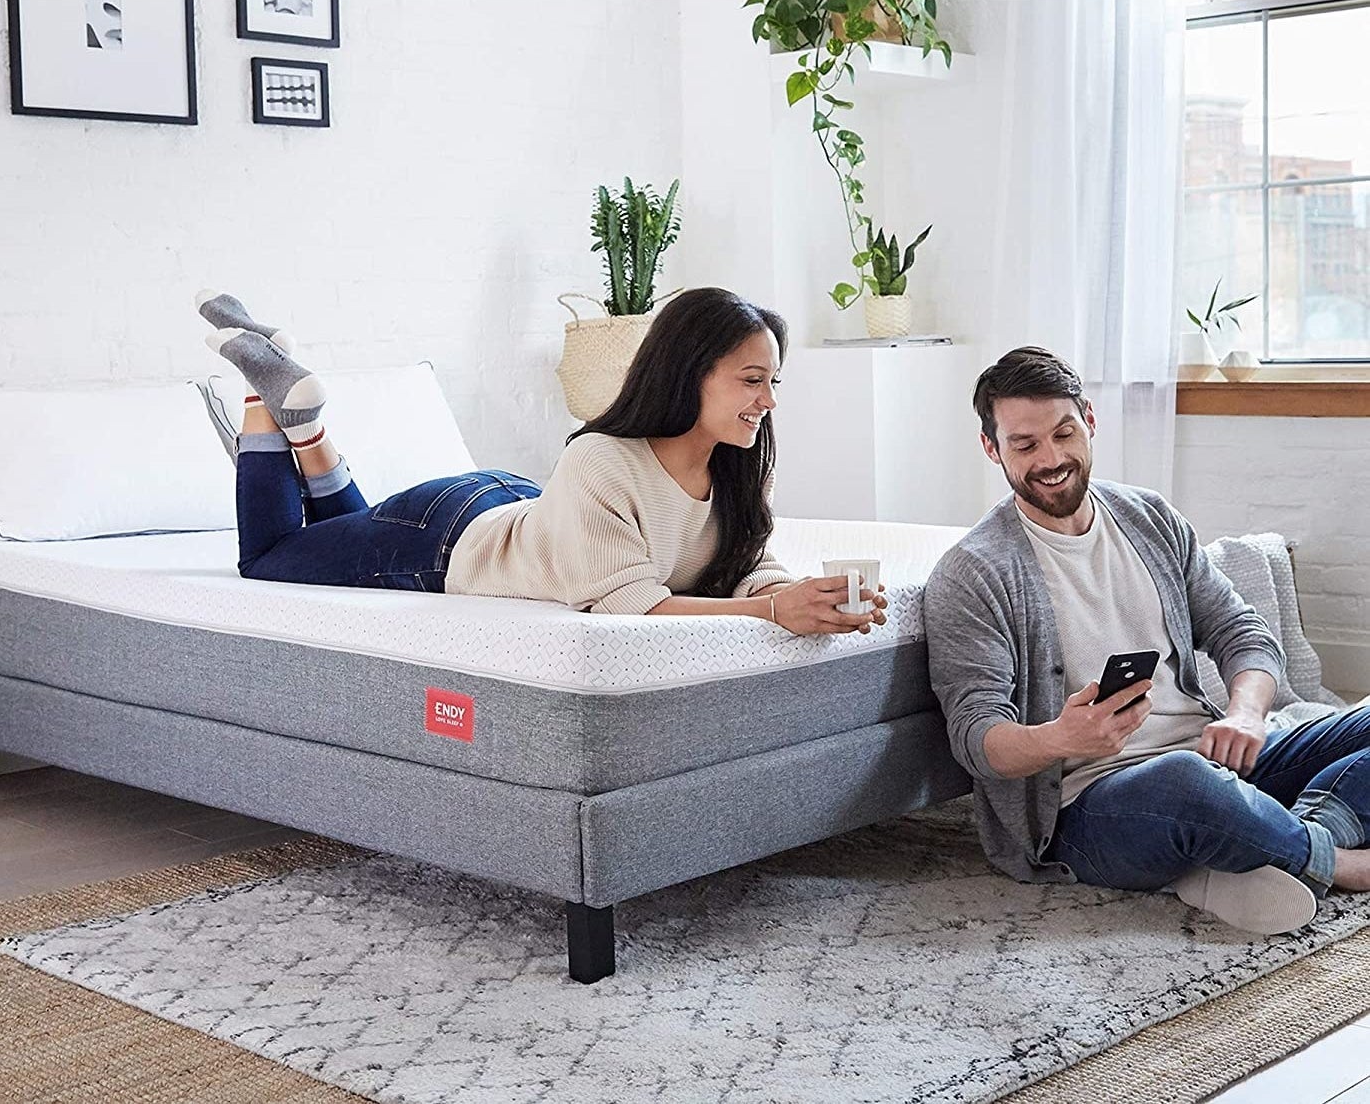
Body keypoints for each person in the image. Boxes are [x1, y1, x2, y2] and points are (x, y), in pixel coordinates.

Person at [923, 345, 1370, 934]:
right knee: (1186, 784)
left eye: (1064, 433)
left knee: (1219, 771)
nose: (1051, 458)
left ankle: (1276, 843)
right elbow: (975, 738)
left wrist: (1244, 714)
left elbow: (1243, 632)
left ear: (1089, 419)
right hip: (1086, 807)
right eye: (1025, 445)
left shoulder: (1148, 517)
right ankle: (1334, 860)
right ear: (992, 448)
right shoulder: (974, 572)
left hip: (1214, 763)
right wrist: (1062, 736)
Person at [195, 285, 886, 636]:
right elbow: (627, 606)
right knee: (272, 555)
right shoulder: (603, 460)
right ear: (689, 373)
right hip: (445, 541)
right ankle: (265, 397)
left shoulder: (739, 463)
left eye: (772, 381)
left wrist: (801, 599)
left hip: (514, 506)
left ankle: (305, 425)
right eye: (750, 379)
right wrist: (771, 617)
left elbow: (747, 566)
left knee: (333, 539)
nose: (767, 399)